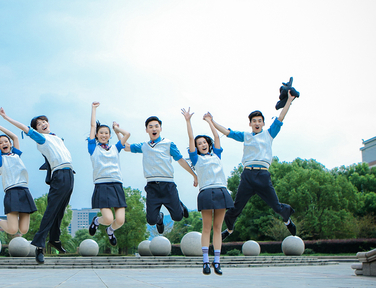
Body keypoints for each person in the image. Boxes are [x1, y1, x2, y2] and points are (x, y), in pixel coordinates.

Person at [211, 90, 298, 241]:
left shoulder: (269, 134)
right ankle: (229, 230)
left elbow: (281, 117)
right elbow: (227, 132)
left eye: (259, 121)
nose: (257, 123)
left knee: (276, 206)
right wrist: (211, 121)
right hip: (247, 176)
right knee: (235, 208)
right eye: (254, 121)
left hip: (263, 175)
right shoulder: (245, 136)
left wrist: (289, 100)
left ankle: (287, 220)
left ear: (263, 123)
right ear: (250, 123)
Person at [0, 106, 74, 264]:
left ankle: (55, 239)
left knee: (60, 210)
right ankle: (39, 245)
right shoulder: (42, 139)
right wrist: (6, 118)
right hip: (60, 175)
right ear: (36, 130)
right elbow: (24, 129)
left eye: (45, 121)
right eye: (39, 124)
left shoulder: (56, 137)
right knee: (52, 211)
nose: (43, 123)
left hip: (70, 174)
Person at [182, 108, 234, 275]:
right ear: (196, 148)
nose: (202, 144)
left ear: (208, 144)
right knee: (207, 228)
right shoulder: (196, 159)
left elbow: (218, 137)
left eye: (204, 142)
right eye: (199, 144)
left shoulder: (216, 155)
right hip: (206, 192)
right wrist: (188, 121)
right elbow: (191, 137)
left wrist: (210, 121)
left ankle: (217, 262)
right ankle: (205, 262)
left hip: (221, 191)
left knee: (218, 228)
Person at [125, 116, 197, 234]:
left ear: (160, 128)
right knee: (151, 220)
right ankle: (160, 218)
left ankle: (179, 204)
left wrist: (194, 175)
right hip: (152, 186)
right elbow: (126, 147)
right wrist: (118, 131)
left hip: (168, 185)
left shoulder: (168, 144)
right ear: (147, 130)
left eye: (156, 126)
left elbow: (181, 160)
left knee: (178, 217)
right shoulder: (144, 146)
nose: (154, 129)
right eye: (150, 127)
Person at [86, 102, 130, 246]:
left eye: (106, 133)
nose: (104, 135)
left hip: (116, 185)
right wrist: (93, 109)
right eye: (101, 133)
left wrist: (116, 129)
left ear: (109, 135)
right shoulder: (93, 148)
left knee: (120, 221)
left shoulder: (115, 148)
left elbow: (127, 134)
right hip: (102, 185)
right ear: (97, 135)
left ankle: (110, 231)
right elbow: (93, 126)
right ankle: (97, 221)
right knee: (108, 218)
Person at [0, 121, 37, 235]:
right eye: (1, 143)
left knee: (24, 230)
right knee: (13, 230)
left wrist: (2, 127)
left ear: (10, 144)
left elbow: (15, 137)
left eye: (6, 141)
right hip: (12, 192)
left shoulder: (16, 155)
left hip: (24, 191)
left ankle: (9, 220)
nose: (4, 143)